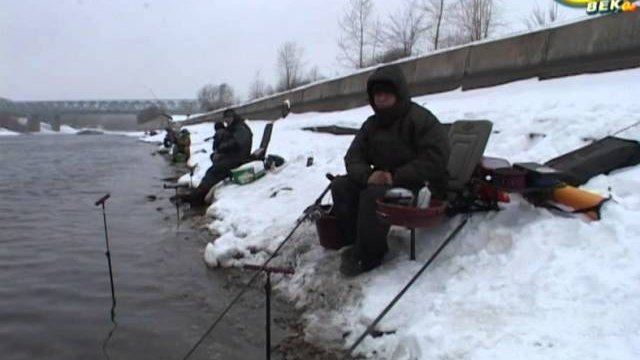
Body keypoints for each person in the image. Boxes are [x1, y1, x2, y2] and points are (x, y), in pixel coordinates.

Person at [331, 64, 451, 276]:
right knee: (341, 185)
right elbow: (353, 157)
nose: (381, 98)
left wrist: (395, 176)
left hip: (417, 185)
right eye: (376, 94)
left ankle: (369, 256)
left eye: (386, 93)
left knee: (373, 196)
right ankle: (352, 241)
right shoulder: (371, 125)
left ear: (398, 93)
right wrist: (368, 175)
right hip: (380, 181)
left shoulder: (420, 119)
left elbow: (436, 158)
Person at [187, 108, 252, 205]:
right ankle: (198, 193)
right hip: (234, 156)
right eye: (225, 120)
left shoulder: (240, 128)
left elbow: (238, 143)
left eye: (227, 119)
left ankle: (197, 197)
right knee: (213, 167)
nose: (226, 122)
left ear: (233, 118)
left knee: (214, 170)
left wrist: (222, 148)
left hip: (239, 158)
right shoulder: (235, 127)